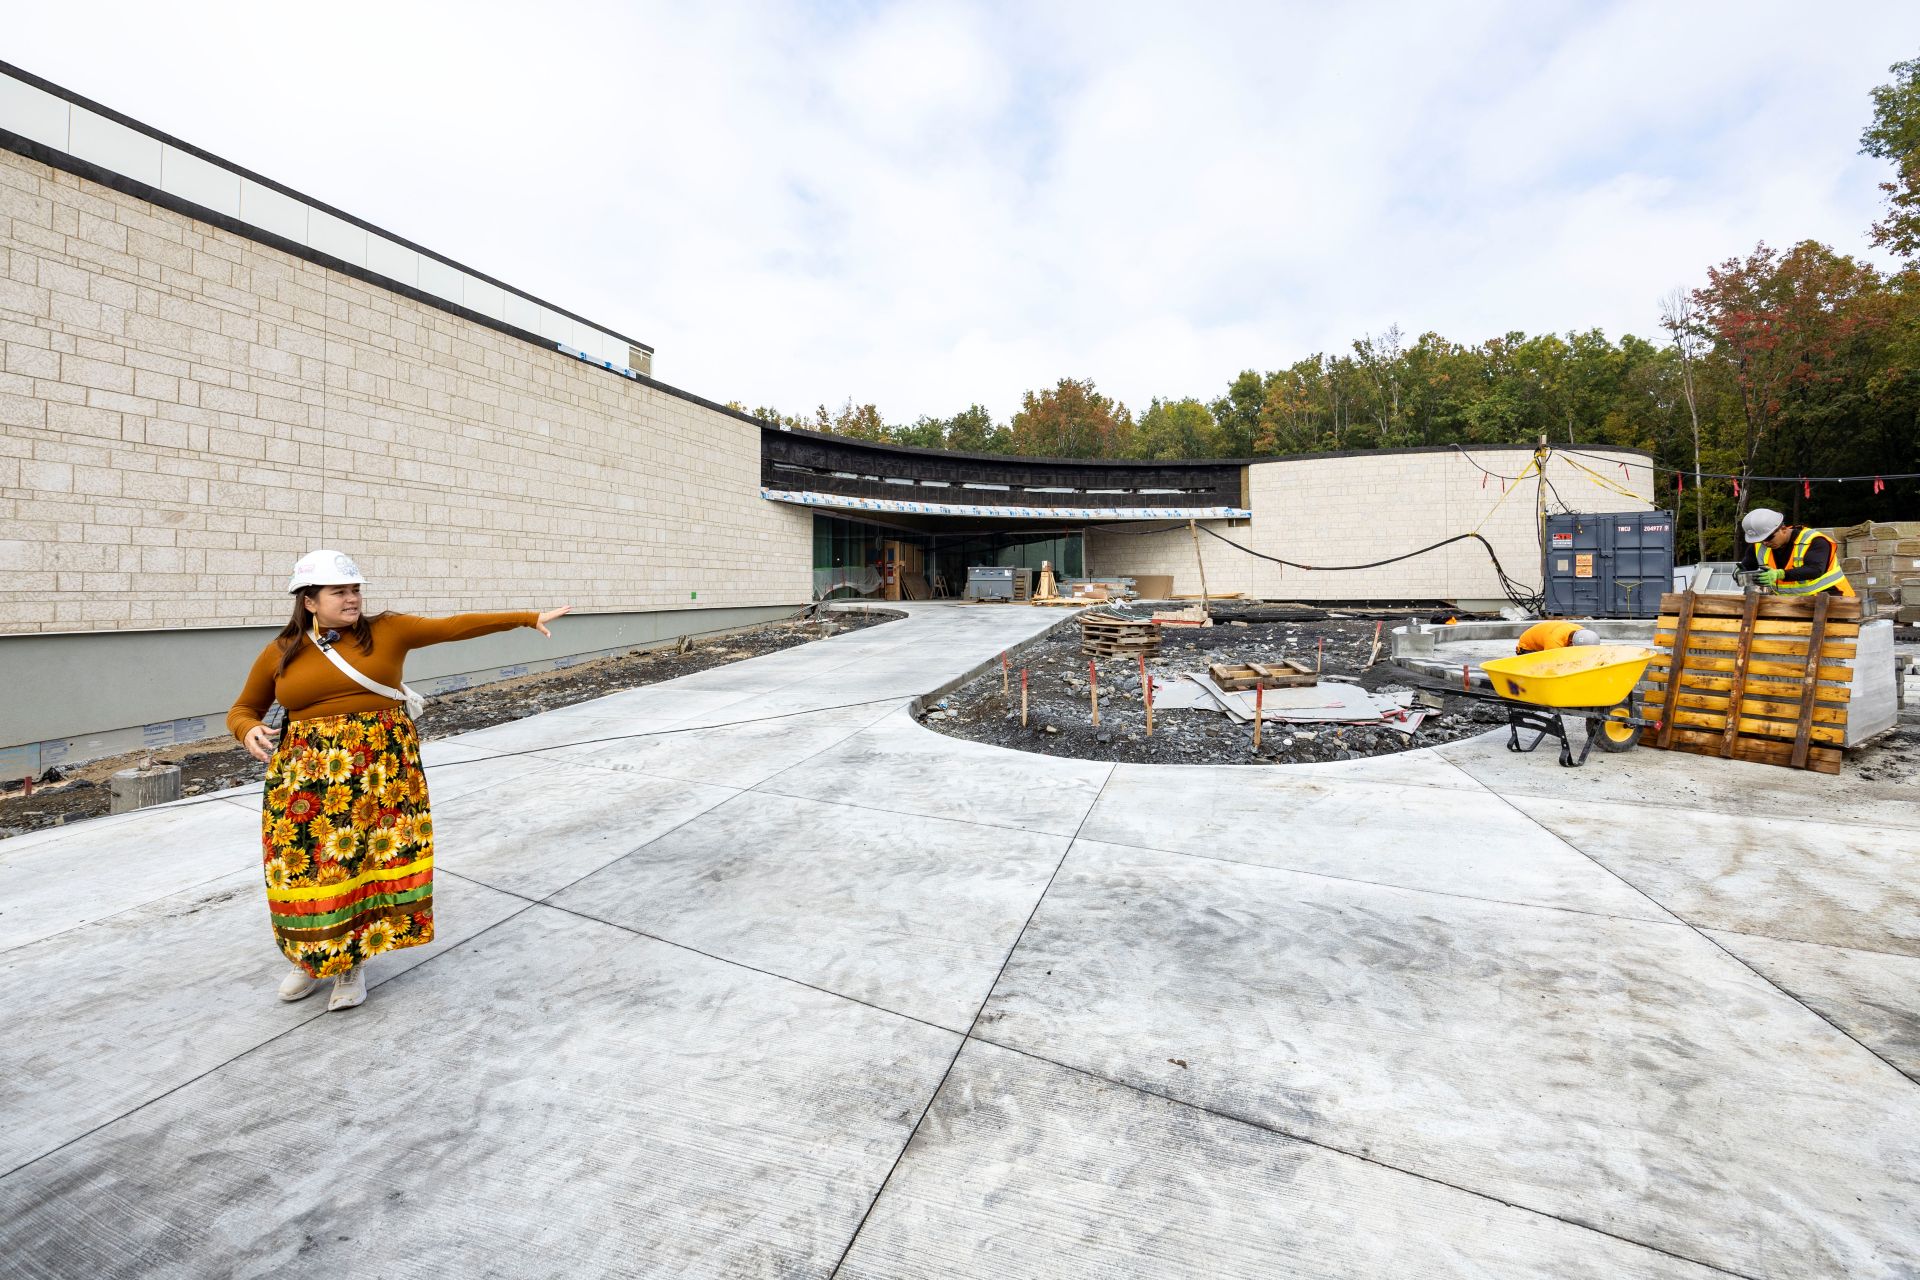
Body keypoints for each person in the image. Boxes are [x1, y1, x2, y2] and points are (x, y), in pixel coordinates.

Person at [228, 549, 570, 1012]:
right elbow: (243, 707)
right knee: (302, 868)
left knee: (363, 866)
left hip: (380, 773)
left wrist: (526, 618)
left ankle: (351, 964)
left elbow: (454, 627)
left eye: (355, 589)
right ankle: (310, 958)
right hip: (306, 779)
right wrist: (247, 728)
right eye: (339, 592)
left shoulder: (388, 630)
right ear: (309, 601)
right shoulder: (282, 650)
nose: (352, 599)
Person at [1738, 508, 1855, 597]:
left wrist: (1780, 574)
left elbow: (1815, 570)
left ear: (1783, 529)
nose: (1765, 543)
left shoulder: (1815, 541)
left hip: (1835, 599)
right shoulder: (1759, 547)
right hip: (1794, 605)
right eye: (1760, 540)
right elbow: (1746, 568)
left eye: (1769, 538)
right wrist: (1739, 574)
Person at [1514, 620, 1601, 654]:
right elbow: (1552, 662)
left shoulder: (1582, 632)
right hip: (1527, 647)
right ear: (1571, 643)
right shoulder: (1554, 641)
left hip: (1547, 638)